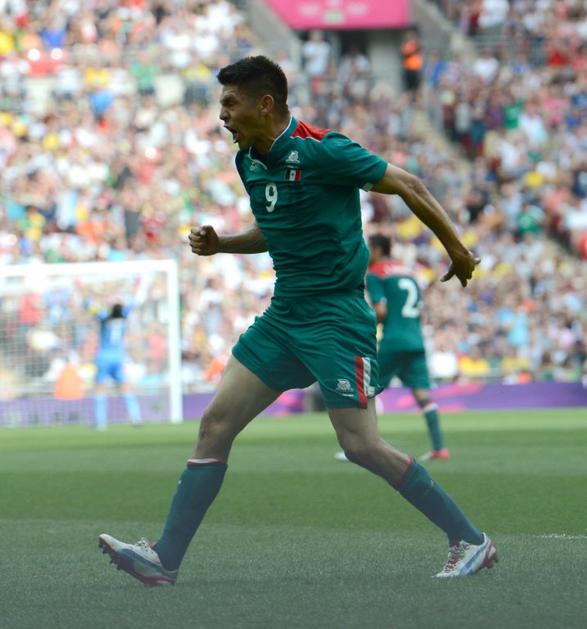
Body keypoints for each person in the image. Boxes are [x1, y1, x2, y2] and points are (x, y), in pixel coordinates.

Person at [98, 56, 497, 585]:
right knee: (215, 425)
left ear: (265, 104)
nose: (222, 115)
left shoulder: (323, 150)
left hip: (336, 317)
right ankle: (164, 559)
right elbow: (274, 229)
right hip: (285, 315)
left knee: (360, 446)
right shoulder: (248, 160)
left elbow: (409, 184)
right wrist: (223, 244)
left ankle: (470, 540)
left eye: (230, 104)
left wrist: (457, 249)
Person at [335, 233, 449, 463]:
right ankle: (439, 448)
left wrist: (360, 324)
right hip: (416, 340)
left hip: (394, 340)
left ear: (377, 250)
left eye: (368, 248)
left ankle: (361, 448)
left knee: (365, 390)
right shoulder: (408, 271)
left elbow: (381, 311)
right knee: (422, 394)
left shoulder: (376, 273)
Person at [85, 295, 142, 430]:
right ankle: (136, 418)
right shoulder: (124, 316)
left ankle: (100, 423)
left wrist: (89, 295)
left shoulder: (104, 317)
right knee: (125, 387)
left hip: (104, 357)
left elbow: (88, 304)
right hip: (118, 357)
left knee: (99, 388)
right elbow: (133, 301)